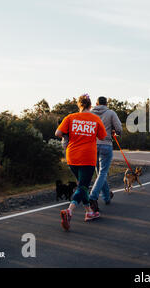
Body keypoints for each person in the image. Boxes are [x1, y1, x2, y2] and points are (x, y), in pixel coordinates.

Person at [55, 94, 107, 231]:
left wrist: (68, 136)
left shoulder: (70, 117)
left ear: (79, 105)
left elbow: (58, 133)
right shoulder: (95, 119)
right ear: (90, 105)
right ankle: (69, 211)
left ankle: (89, 212)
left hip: (72, 156)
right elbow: (102, 136)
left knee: (81, 185)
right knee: (83, 186)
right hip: (87, 157)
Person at [89, 96, 122, 213]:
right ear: (106, 103)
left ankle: (107, 196)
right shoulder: (110, 113)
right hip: (106, 144)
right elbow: (119, 128)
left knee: (99, 172)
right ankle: (92, 197)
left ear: (96, 103)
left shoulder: (90, 113)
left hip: (92, 144)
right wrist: (115, 132)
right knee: (103, 172)